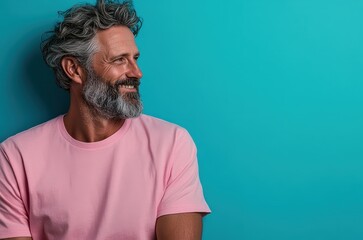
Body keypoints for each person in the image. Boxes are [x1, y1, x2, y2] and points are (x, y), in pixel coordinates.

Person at [0, 0, 210, 239]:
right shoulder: (15, 157)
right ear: (74, 69)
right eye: (119, 59)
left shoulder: (172, 144)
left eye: (135, 58)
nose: (136, 72)